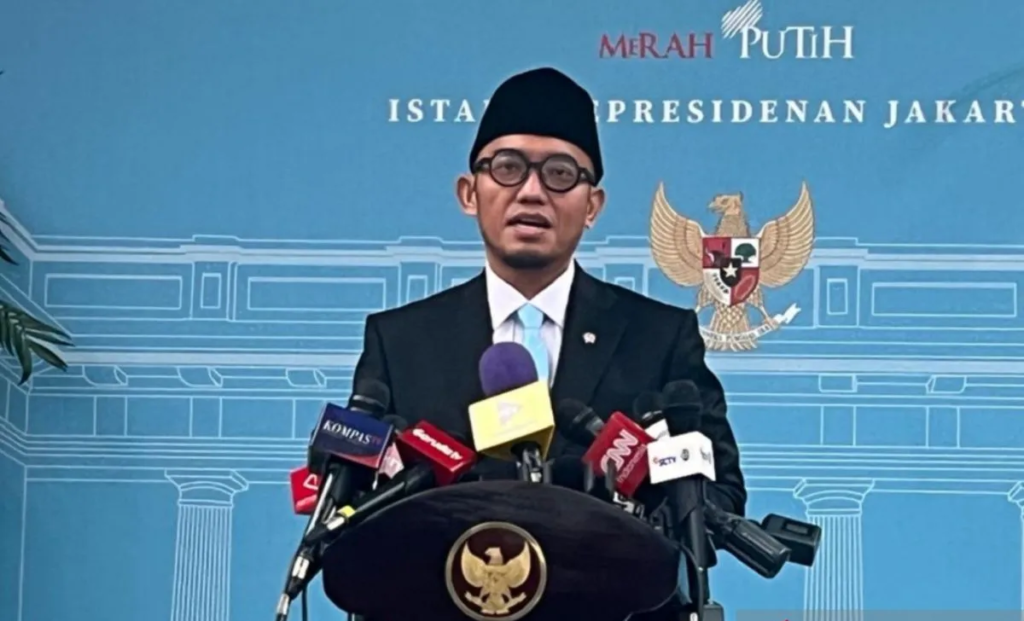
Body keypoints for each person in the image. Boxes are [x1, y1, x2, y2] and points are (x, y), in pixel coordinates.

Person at [352, 67, 746, 612]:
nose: (532, 192)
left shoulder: (659, 338)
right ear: (469, 193)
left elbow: (719, 496)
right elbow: (352, 502)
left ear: (593, 205)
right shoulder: (401, 341)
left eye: (560, 173)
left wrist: (638, 514)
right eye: (508, 168)